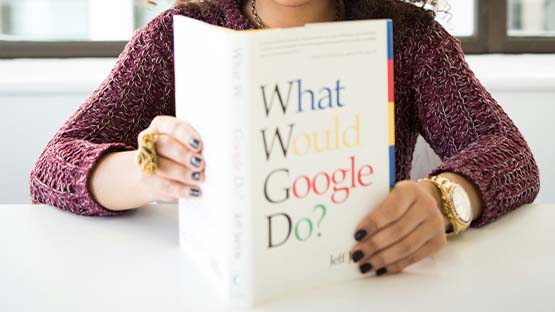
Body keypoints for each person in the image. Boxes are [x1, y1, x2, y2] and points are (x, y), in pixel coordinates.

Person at [29, 0, 540, 276]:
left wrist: (445, 200)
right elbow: (54, 164)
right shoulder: (176, 36)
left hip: (364, 279)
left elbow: (509, 153)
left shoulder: (409, 39)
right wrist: (145, 171)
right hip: (215, 284)